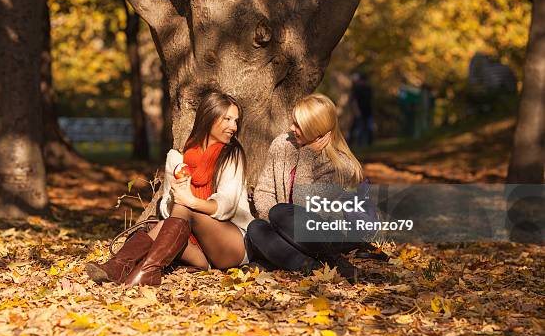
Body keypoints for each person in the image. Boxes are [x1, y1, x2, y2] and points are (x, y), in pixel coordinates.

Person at [86, 92, 253, 286]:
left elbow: (227, 205)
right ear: (209, 117)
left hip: (231, 244)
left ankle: (133, 268)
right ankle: (123, 267)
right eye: (228, 119)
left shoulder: (232, 155)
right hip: (200, 254)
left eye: (236, 121)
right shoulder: (177, 158)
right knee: (170, 217)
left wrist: (189, 200)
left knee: (185, 208)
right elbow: (166, 210)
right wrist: (176, 196)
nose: (234, 127)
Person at [246, 93, 373, 278]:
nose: (291, 128)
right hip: (282, 228)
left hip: (321, 234)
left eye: (298, 124)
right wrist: (273, 223)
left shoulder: (340, 166)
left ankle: (329, 259)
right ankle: (311, 267)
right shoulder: (282, 144)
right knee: (256, 228)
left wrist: (306, 156)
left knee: (280, 212)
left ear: (317, 130)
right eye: (293, 122)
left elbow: (304, 206)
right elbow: (264, 190)